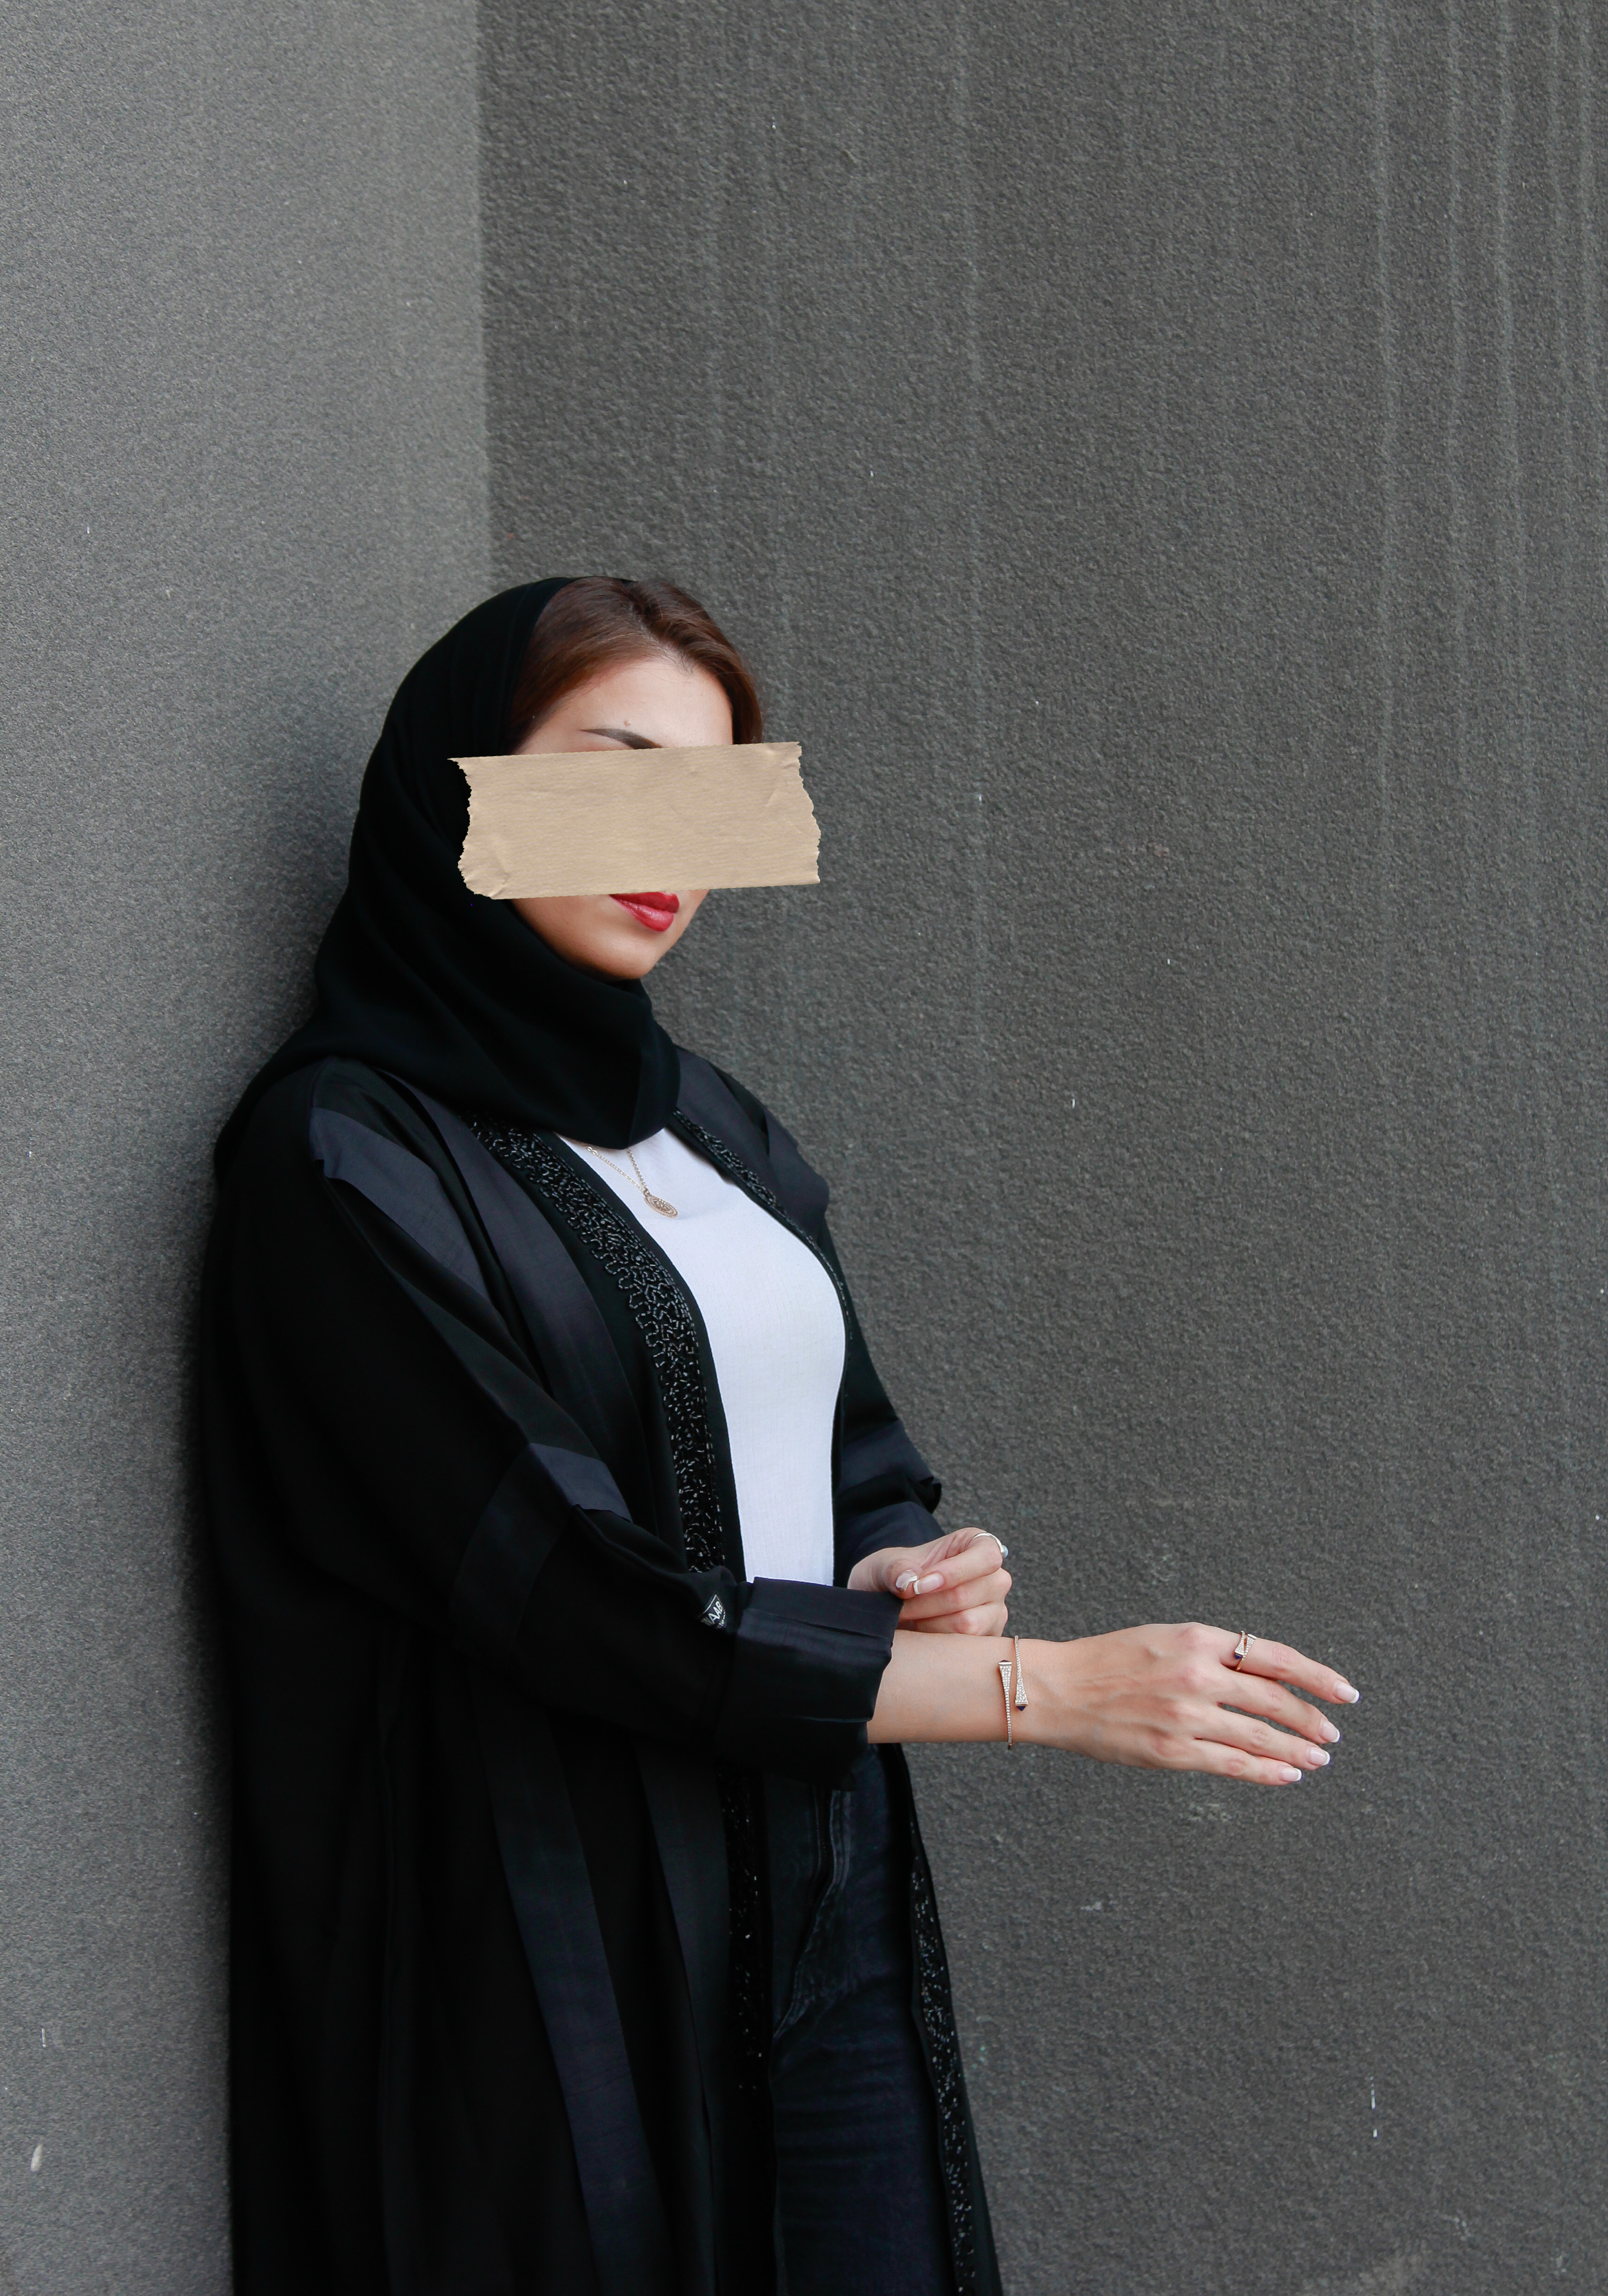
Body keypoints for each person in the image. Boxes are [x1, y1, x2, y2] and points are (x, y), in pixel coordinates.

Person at [201, 575, 1358, 2296]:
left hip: (824, 1889)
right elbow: (562, 1591)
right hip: (555, 1946)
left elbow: (846, 1446)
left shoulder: (715, 1129)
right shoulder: (341, 1159)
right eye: (618, 768)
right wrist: (1041, 1690)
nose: (672, 840)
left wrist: (902, 1561)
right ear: (466, 782)